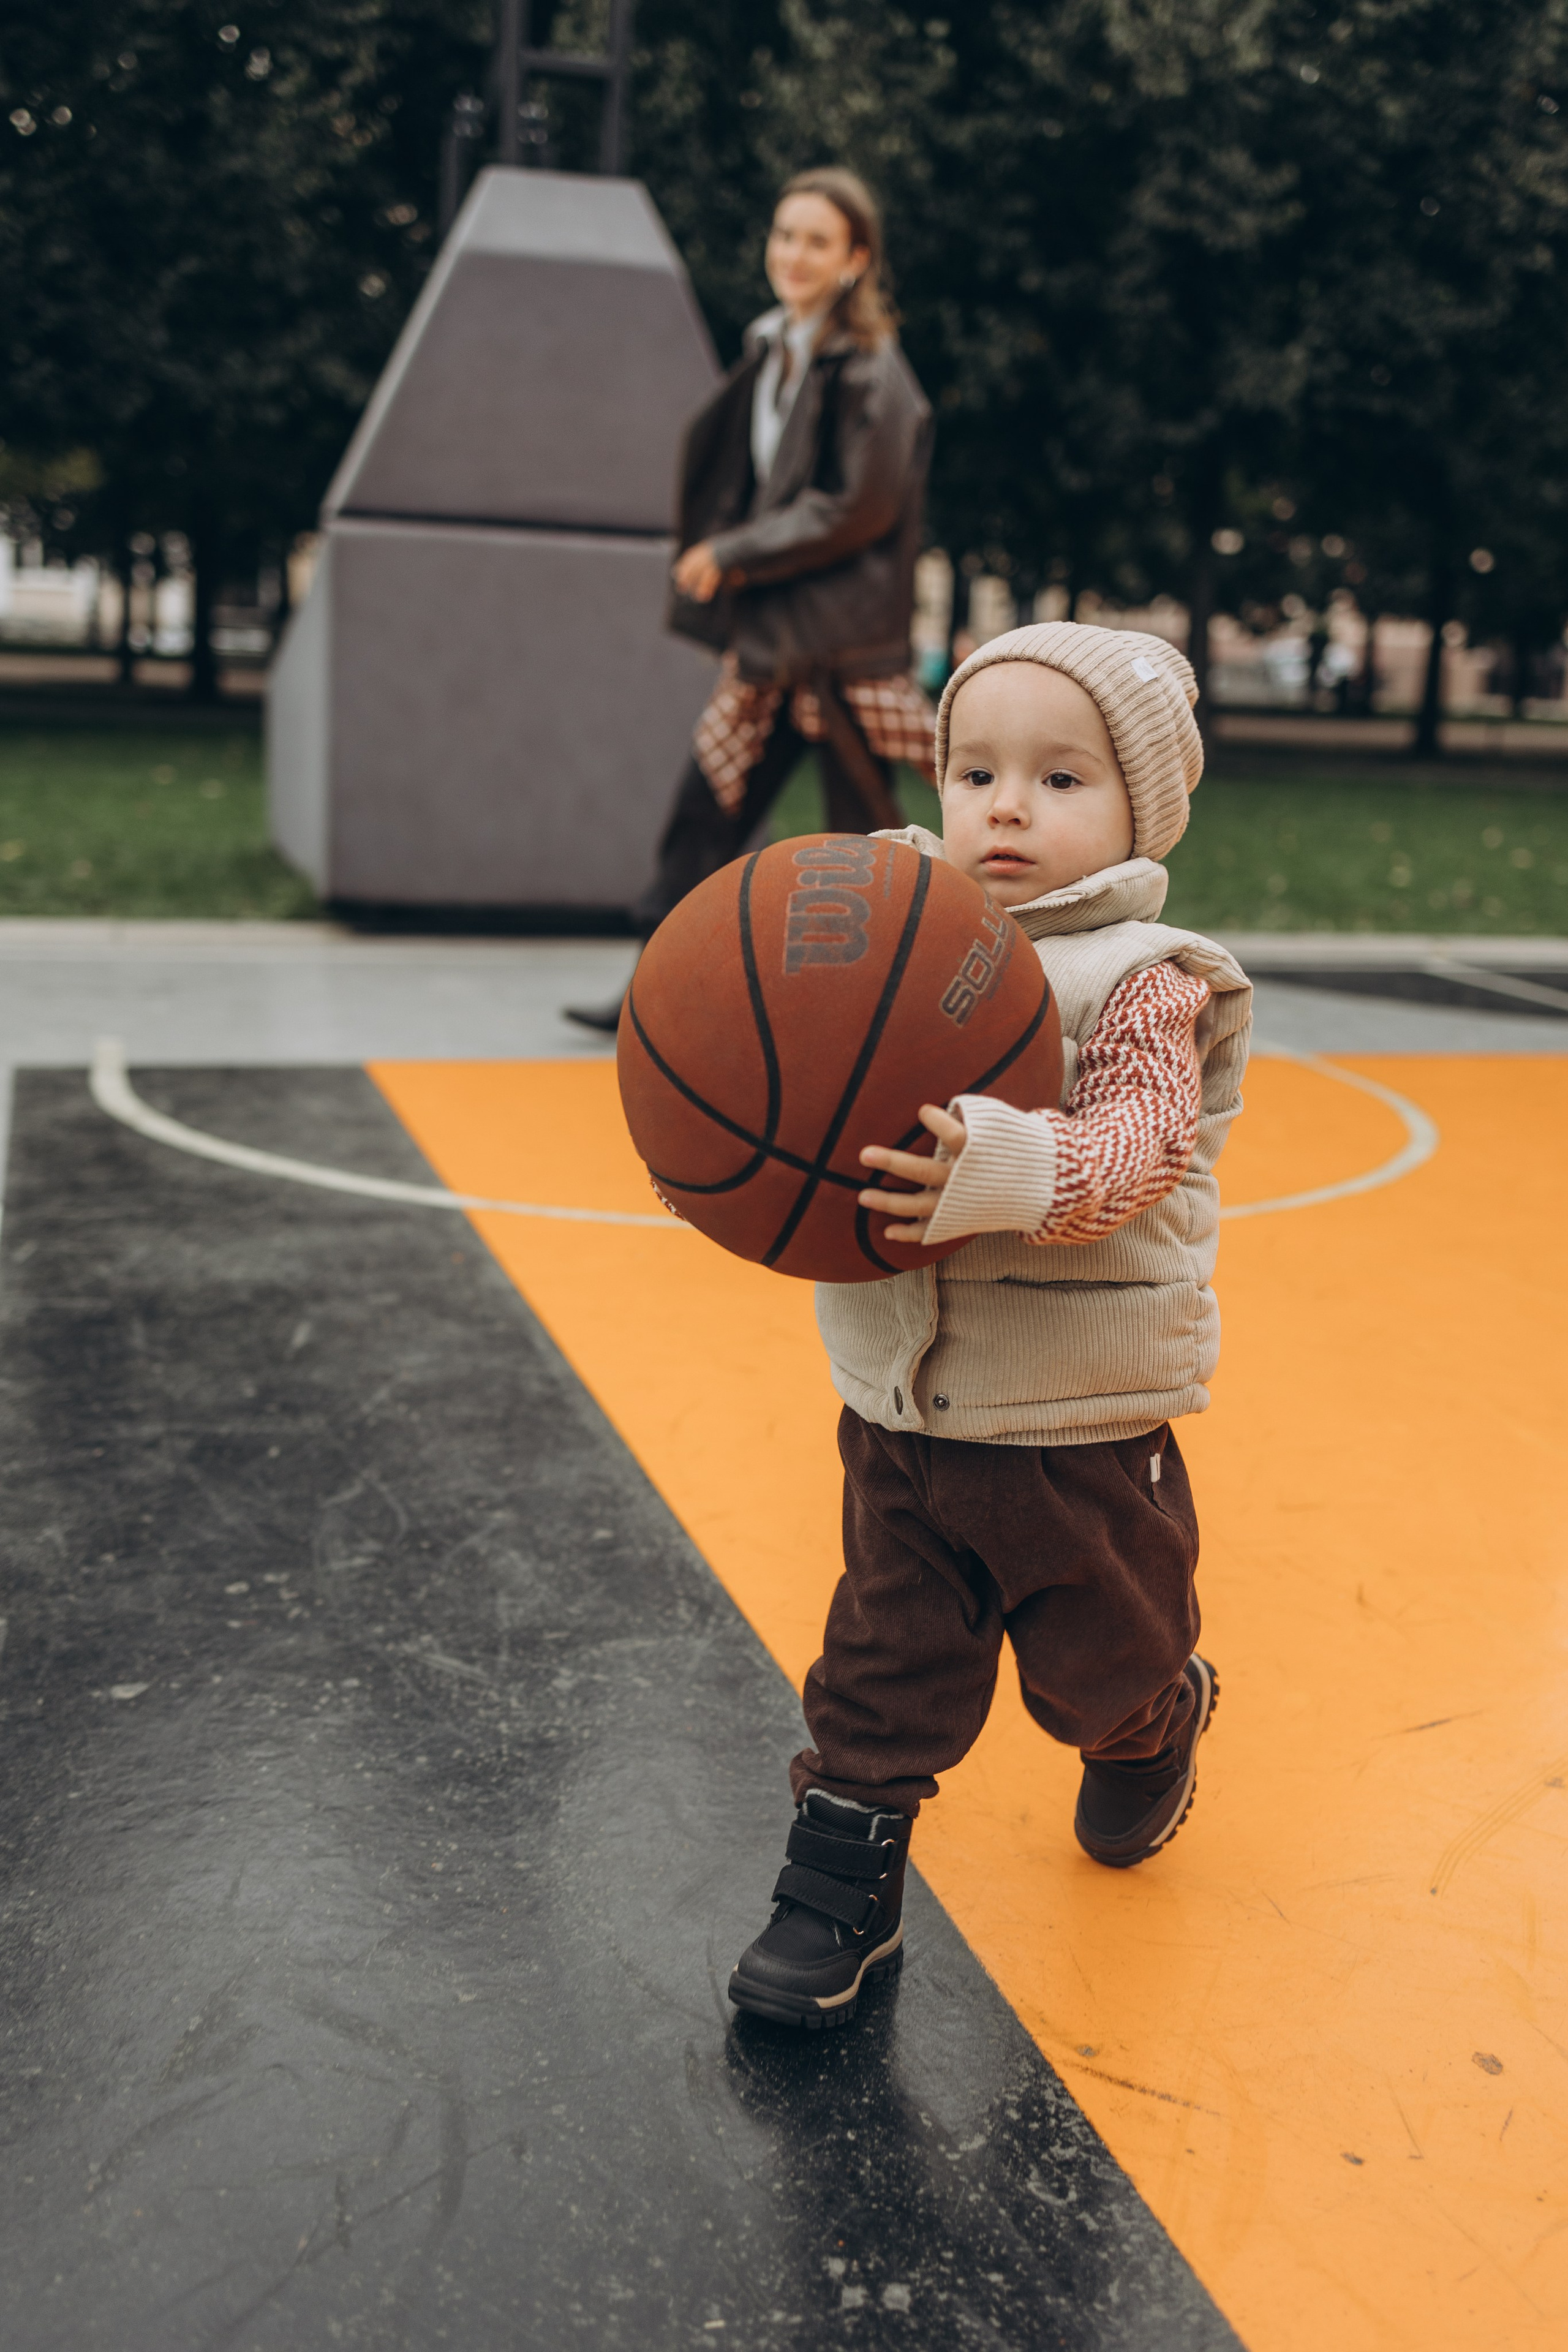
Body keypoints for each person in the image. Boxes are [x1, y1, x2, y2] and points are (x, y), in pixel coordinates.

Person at [725, 620, 1254, 2029]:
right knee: (878, 1670)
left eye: (1059, 779)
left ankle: (1153, 1718)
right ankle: (841, 1886)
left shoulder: (1144, 981)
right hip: (899, 1412)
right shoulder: (885, 926)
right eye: (975, 772)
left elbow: (1136, 1147)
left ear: (1142, 811)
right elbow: (777, 1076)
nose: (1005, 807)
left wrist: (1007, 1168)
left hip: (1074, 1427)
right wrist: (732, 1156)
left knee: (1097, 1672)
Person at [565, 167, 935, 1032]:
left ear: (856, 259)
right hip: (771, 648)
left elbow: (857, 507)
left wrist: (731, 553)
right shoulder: (773, 350)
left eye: (817, 241)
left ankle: (905, 1013)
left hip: (842, 655)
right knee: (703, 813)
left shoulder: (872, 370)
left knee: (872, 846)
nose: (794, 254)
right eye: (785, 235)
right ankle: (654, 995)